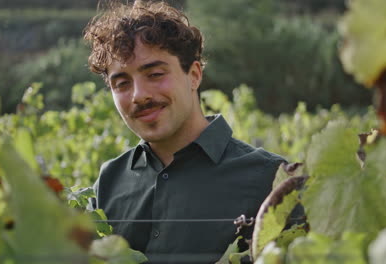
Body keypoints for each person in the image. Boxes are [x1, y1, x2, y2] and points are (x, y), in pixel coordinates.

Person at [84, 1, 286, 263]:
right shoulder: (107, 183)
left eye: (155, 74)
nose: (138, 95)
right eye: (122, 84)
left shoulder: (269, 180)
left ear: (194, 75)